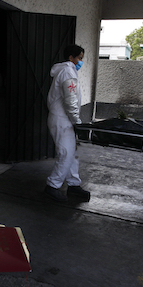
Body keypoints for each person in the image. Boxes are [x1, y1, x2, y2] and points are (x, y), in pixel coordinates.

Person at [44, 44, 91, 202]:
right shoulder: (68, 72)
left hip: (65, 119)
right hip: (62, 119)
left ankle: (73, 184)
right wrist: (77, 121)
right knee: (66, 153)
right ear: (71, 58)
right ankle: (52, 186)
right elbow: (70, 101)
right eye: (79, 58)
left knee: (72, 153)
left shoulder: (67, 71)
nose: (80, 62)